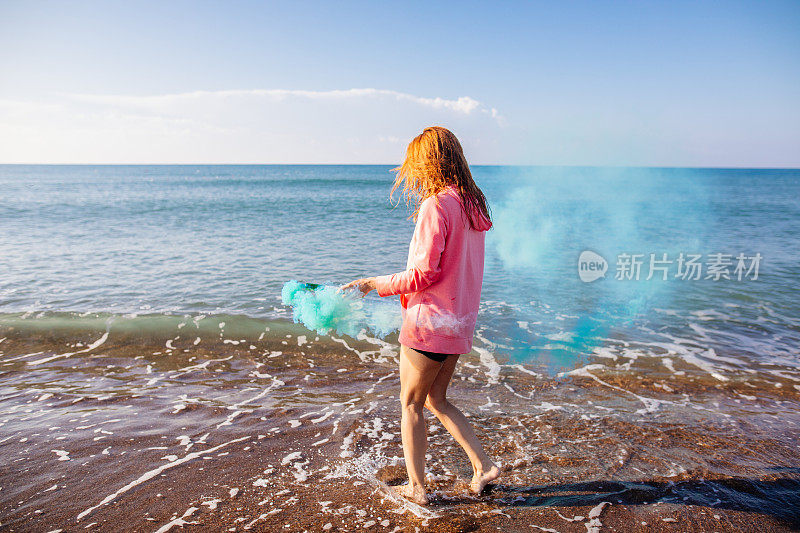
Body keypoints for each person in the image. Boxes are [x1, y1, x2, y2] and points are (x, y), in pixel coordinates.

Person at [341, 126, 500, 505]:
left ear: (428, 163)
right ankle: (483, 466)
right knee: (437, 399)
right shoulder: (472, 206)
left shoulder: (437, 205)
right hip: (458, 324)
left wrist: (372, 283)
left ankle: (417, 487)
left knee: (411, 404)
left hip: (429, 323)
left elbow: (423, 274)